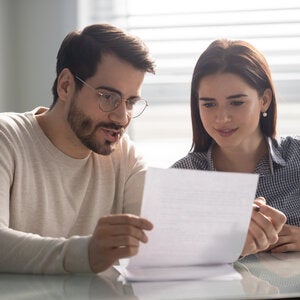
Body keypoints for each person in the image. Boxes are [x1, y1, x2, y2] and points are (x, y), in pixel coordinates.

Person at [0, 23, 155, 274]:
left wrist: (230, 241)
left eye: (131, 102)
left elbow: (160, 239)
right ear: (65, 85)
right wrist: (86, 253)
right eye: (108, 97)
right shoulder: (6, 137)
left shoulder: (125, 156)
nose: (121, 117)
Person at [172, 39, 292, 256]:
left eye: (236, 103)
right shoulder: (181, 178)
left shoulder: (297, 157)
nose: (222, 118)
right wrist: (226, 250)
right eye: (209, 104)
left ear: (264, 100)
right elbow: (165, 263)